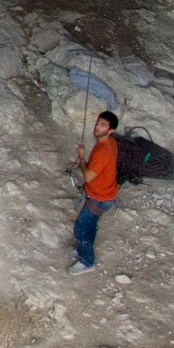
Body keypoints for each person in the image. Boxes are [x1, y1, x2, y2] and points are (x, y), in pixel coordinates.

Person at [70, 110, 120, 275]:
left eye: (103, 125)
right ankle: (84, 250)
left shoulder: (103, 150)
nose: (97, 127)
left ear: (110, 130)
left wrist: (81, 158)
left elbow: (89, 176)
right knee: (89, 225)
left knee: (81, 228)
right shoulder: (110, 143)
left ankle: (87, 261)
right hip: (105, 194)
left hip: (99, 197)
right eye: (98, 123)